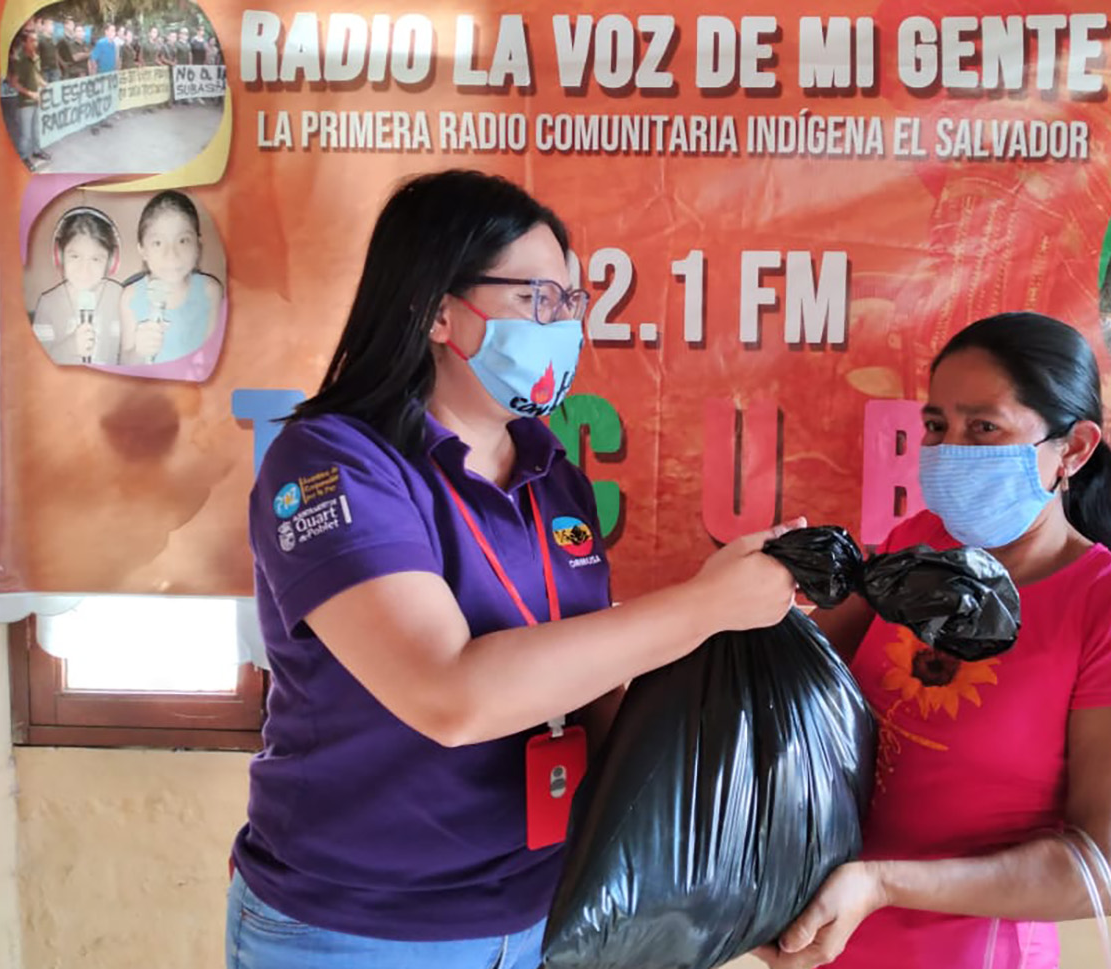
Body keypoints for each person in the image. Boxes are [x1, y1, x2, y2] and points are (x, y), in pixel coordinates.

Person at [225, 169, 799, 969]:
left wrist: (720, 880)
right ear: (437, 310)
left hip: (538, 912)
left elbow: (594, 690)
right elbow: (450, 694)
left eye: (570, 303)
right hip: (360, 929)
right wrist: (705, 607)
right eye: (538, 299)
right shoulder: (331, 465)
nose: (563, 324)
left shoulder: (549, 473)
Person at [757, 313, 1111, 969]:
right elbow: (788, 684)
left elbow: (1106, 872)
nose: (951, 449)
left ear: (1073, 447)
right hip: (821, 945)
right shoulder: (913, 544)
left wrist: (882, 883)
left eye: (983, 427)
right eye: (937, 426)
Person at [119, 191, 223, 364]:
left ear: (197, 245)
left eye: (182, 241)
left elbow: (212, 359)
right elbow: (125, 362)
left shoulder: (211, 291)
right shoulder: (129, 297)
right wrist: (139, 351)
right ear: (142, 250)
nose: (171, 255)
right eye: (158, 243)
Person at [31, 207, 123, 365]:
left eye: (95, 259)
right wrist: (69, 347)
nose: (84, 270)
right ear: (59, 256)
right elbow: (36, 364)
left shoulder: (120, 297)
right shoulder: (48, 304)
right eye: (75, 256)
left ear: (111, 262)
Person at [6, 31, 46, 170]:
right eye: (32, 40)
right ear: (25, 43)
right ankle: (23, 157)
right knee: (26, 134)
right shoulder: (20, 60)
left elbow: (35, 74)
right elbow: (13, 83)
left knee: (36, 129)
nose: (35, 43)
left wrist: (42, 83)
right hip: (24, 103)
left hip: (36, 100)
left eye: (36, 40)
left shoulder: (35, 57)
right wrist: (30, 93)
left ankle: (37, 151)